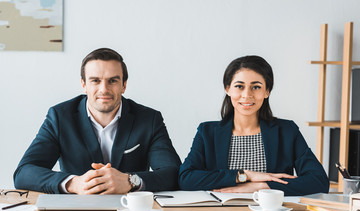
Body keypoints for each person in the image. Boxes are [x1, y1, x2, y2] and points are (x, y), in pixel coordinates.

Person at [14, 48, 181, 194]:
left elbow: (174, 173)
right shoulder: (59, 117)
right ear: (84, 84)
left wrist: (130, 181)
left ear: (123, 85)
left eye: (113, 81)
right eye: (95, 80)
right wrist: (73, 183)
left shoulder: (149, 119)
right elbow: (24, 172)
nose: (104, 89)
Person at [178, 55, 329, 196]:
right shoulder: (207, 132)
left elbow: (319, 181)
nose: (247, 95)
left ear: (267, 91)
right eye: (239, 86)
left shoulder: (287, 131)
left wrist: (263, 186)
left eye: (256, 87)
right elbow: (186, 178)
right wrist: (244, 175)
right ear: (227, 89)